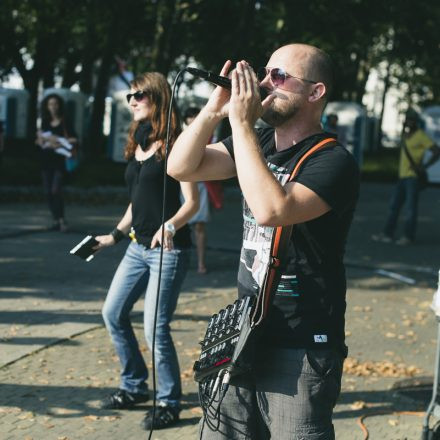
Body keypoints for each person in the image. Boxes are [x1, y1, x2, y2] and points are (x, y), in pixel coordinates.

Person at [168, 43, 360, 439]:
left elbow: (273, 210)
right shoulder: (261, 143)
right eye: (265, 72)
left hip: (301, 339)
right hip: (245, 331)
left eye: (279, 76)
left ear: (315, 92)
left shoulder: (333, 160)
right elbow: (180, 166)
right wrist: (214, 111)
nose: (264, 83)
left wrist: (240, 124)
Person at [94, 72, 199, 430]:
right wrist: (113, 236)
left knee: (155, 328)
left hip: (168, 251)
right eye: (130, 96)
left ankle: (169, 401)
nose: (133, 101)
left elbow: (193, 203)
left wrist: (169, 225)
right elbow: (136, 202)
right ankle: (134, 385)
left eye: (139, 95)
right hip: (138, 249)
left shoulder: (177, 144)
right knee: (112, 313)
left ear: (158, 97)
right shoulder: (139, 140)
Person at [372, 110, 440, 245]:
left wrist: (424, 166)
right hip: (402, 176)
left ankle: (408, 236)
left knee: (410, 208)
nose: (410, 122)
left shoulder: (420, 135)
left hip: (413, 177)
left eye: (412, 120)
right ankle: (387, 234)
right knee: (394, 206)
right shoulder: (405, 135)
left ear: (416, 121)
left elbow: (436, 151)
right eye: (408, 119)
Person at [36, 93, 78, 232]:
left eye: (55, 104)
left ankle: (61, 220)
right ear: (46, 107)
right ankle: (55, 219)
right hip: (46, 160)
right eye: (50, 104)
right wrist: (42, 140)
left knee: (56, 190)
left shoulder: (65, 121)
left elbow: (74, 140)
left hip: (60, 161)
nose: (53, 107)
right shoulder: (45, 122)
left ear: (59, 105)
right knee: (48, 192)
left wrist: (58, 140)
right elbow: (40, 141)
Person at [183, 106, 210, 274]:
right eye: (189, 117)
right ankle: (182, 259)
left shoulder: (208, 135)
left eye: (195, 116)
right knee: (180, 225)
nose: (192, 120)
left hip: (200, 184)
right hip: (183, 183)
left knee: (199, 227)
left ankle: (201, 262)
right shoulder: (180, 136)